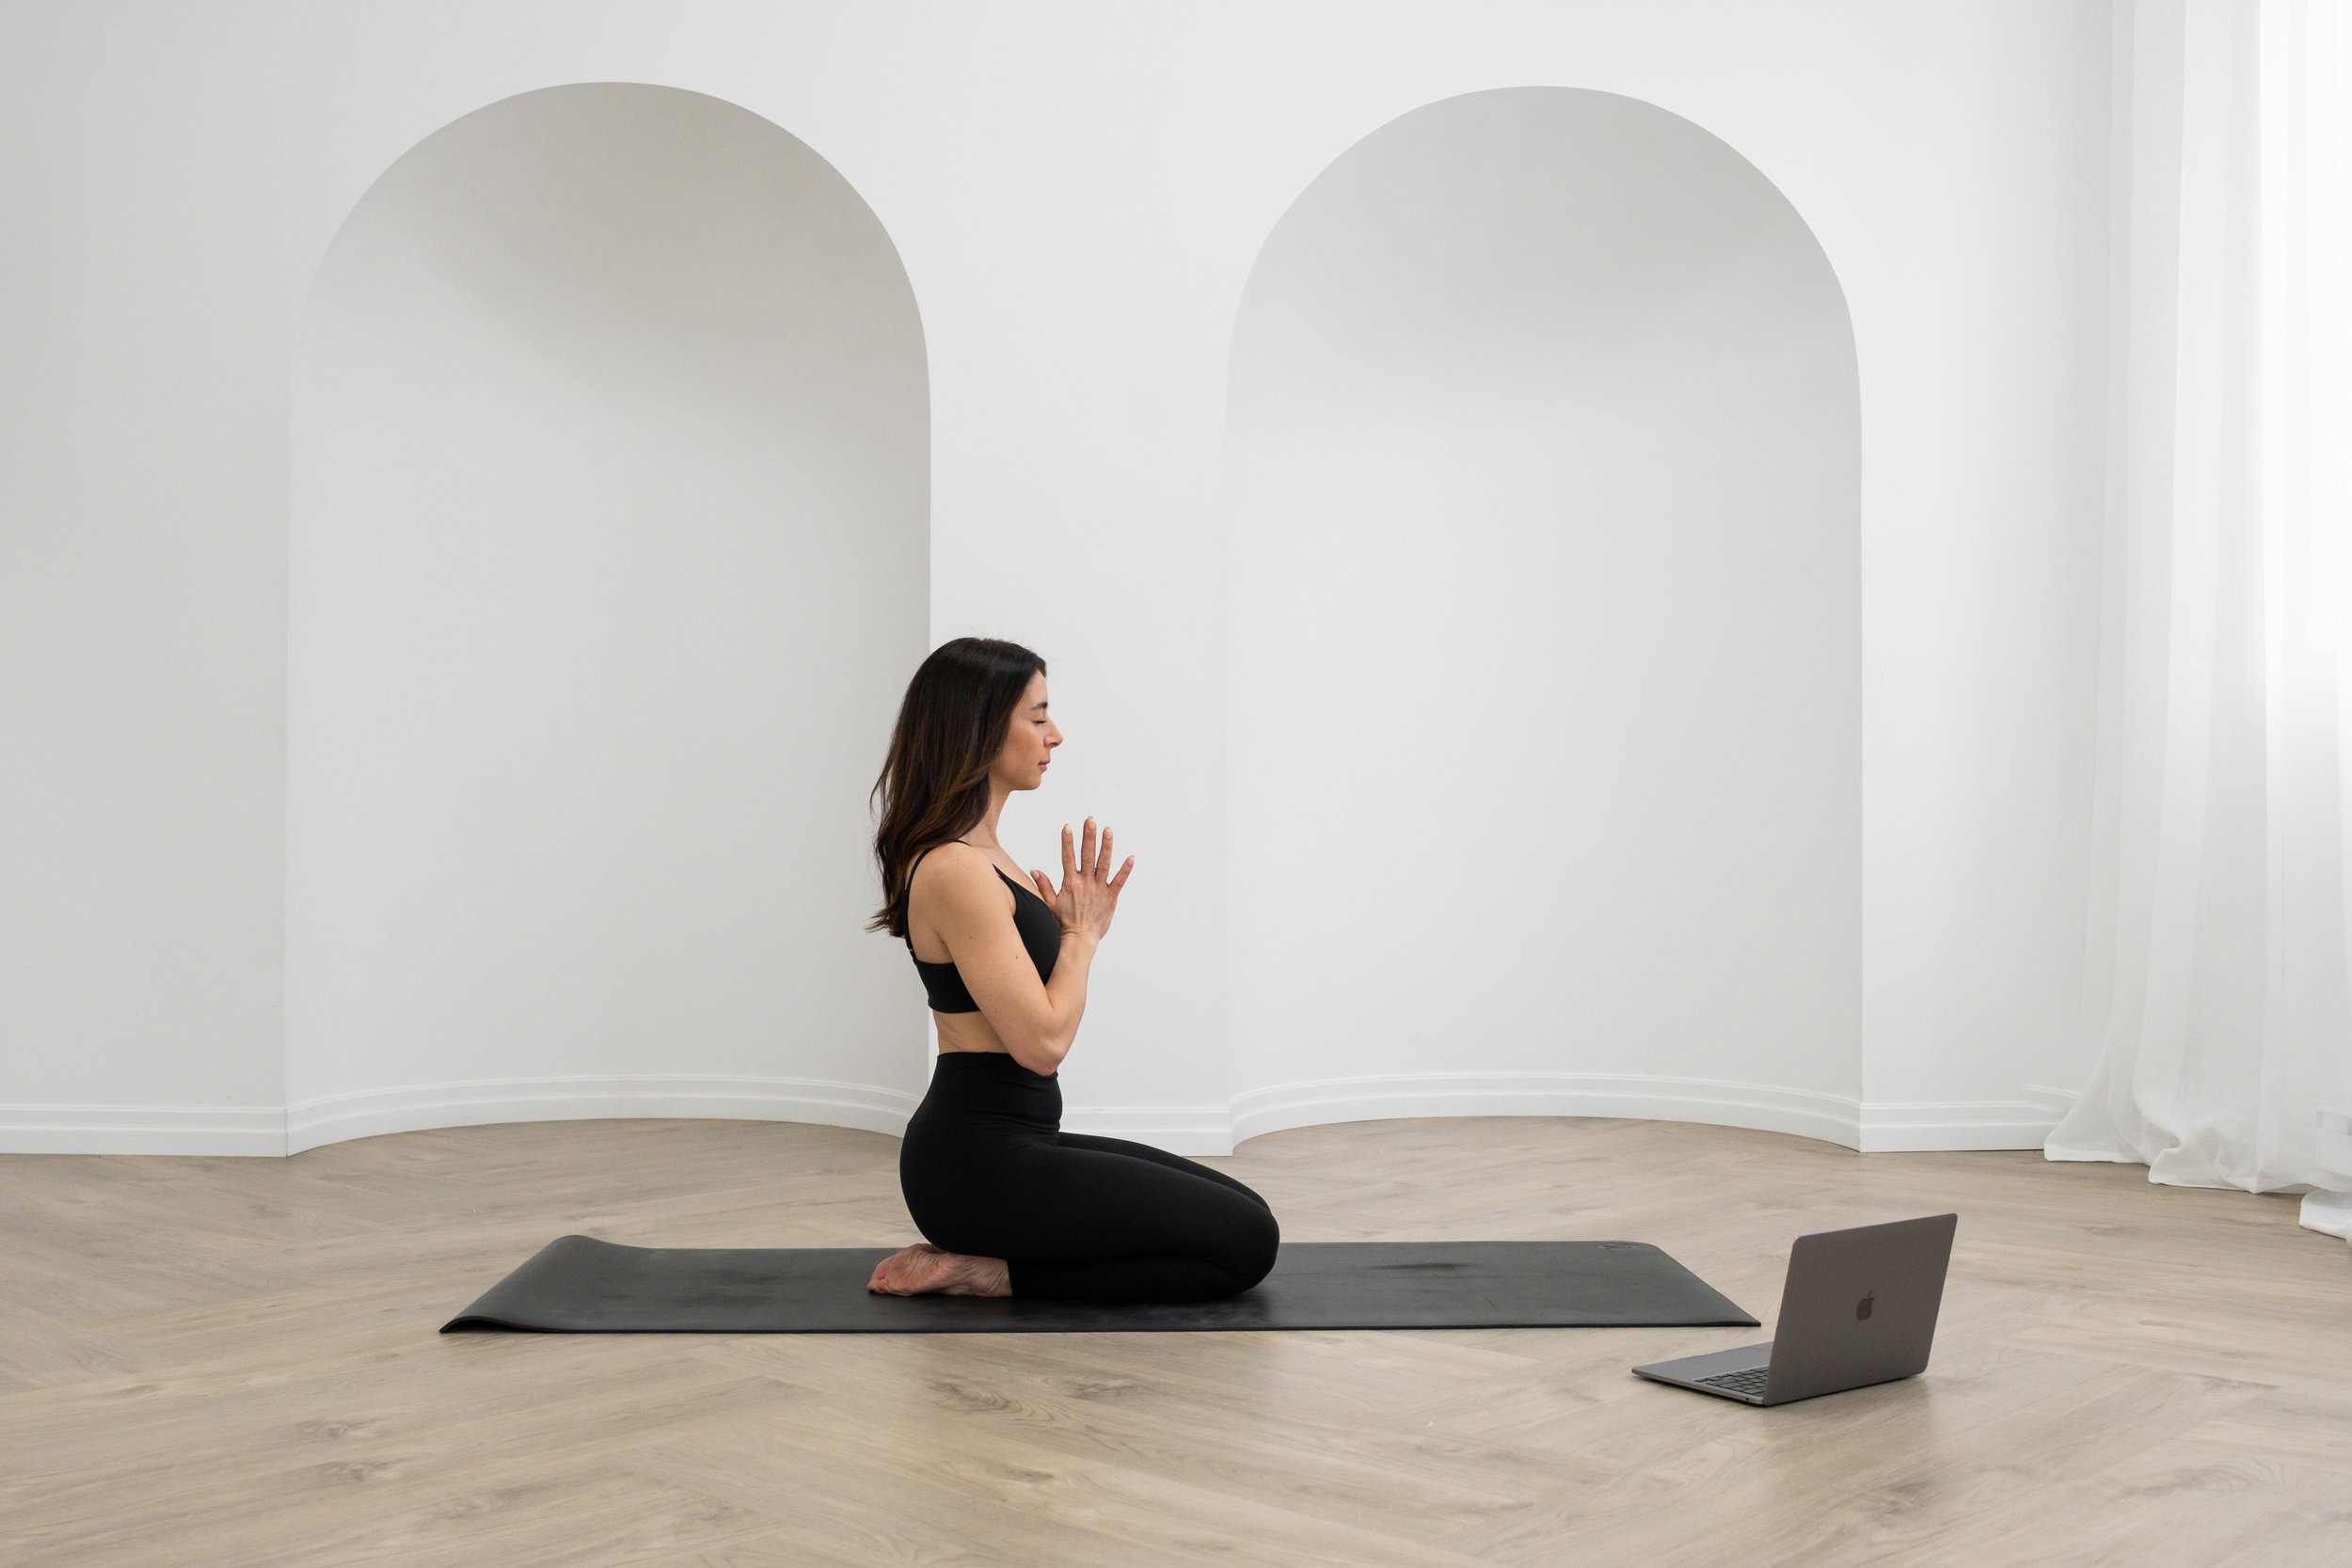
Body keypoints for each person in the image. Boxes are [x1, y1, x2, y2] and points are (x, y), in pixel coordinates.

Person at [863, 637, 1279, 1301]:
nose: (1054, 735)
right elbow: (1042, 1043)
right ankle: (992, 1273)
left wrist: (1066, 932)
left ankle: (999, 1262)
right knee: (1247, 1243)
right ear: (979, 728)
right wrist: (1081, 937)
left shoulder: (983, 855)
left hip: (1018, 1141)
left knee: (1246, 1211)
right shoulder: (954, 869)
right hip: (975, 1165)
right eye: (1037, 717)